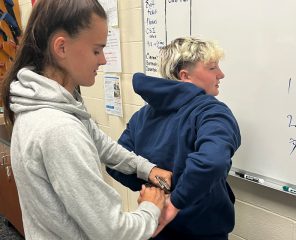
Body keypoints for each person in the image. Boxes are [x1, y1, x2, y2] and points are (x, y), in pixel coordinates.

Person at [1, 1, 173, 239]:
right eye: (96, 50)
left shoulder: (50, 103)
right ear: (61, 48)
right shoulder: (58, 129)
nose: (103, 60)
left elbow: (100, 142)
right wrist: (151, 207)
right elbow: (113, 232)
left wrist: (147, 168)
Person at [107, 37, 241, 240]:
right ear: (185, 76)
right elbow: (212, 162)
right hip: (201, 233)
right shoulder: (211, 110)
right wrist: (175, 202)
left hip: (154, 223)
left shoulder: (142, 116)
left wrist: (156, 189)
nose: (221, 74)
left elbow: (115, 162)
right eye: (212, 68)